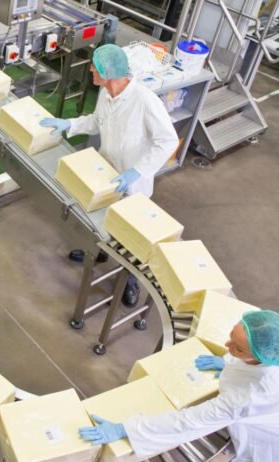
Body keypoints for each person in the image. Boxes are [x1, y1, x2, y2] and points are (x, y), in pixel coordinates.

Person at [78, 310, 279, 462]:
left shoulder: (251, 396)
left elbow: (187, 422)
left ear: (261, 357)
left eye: (238, 348)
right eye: (232, 337)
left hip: (278, 430)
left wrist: (126, 429)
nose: (226, 346)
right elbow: (258, 360)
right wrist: (230, 362)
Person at [39, 43, 178, 306]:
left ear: (110, 73)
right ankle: (97, 252)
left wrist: (136, 171)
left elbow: (167, 141)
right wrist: (70, 124)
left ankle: (131, 280)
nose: (91, 69)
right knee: (98, 221)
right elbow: (96, 121)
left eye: (95, 66)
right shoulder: (106, 92)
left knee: (131, 237)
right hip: (105, 172)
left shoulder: (145, 101)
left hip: (132, 184)